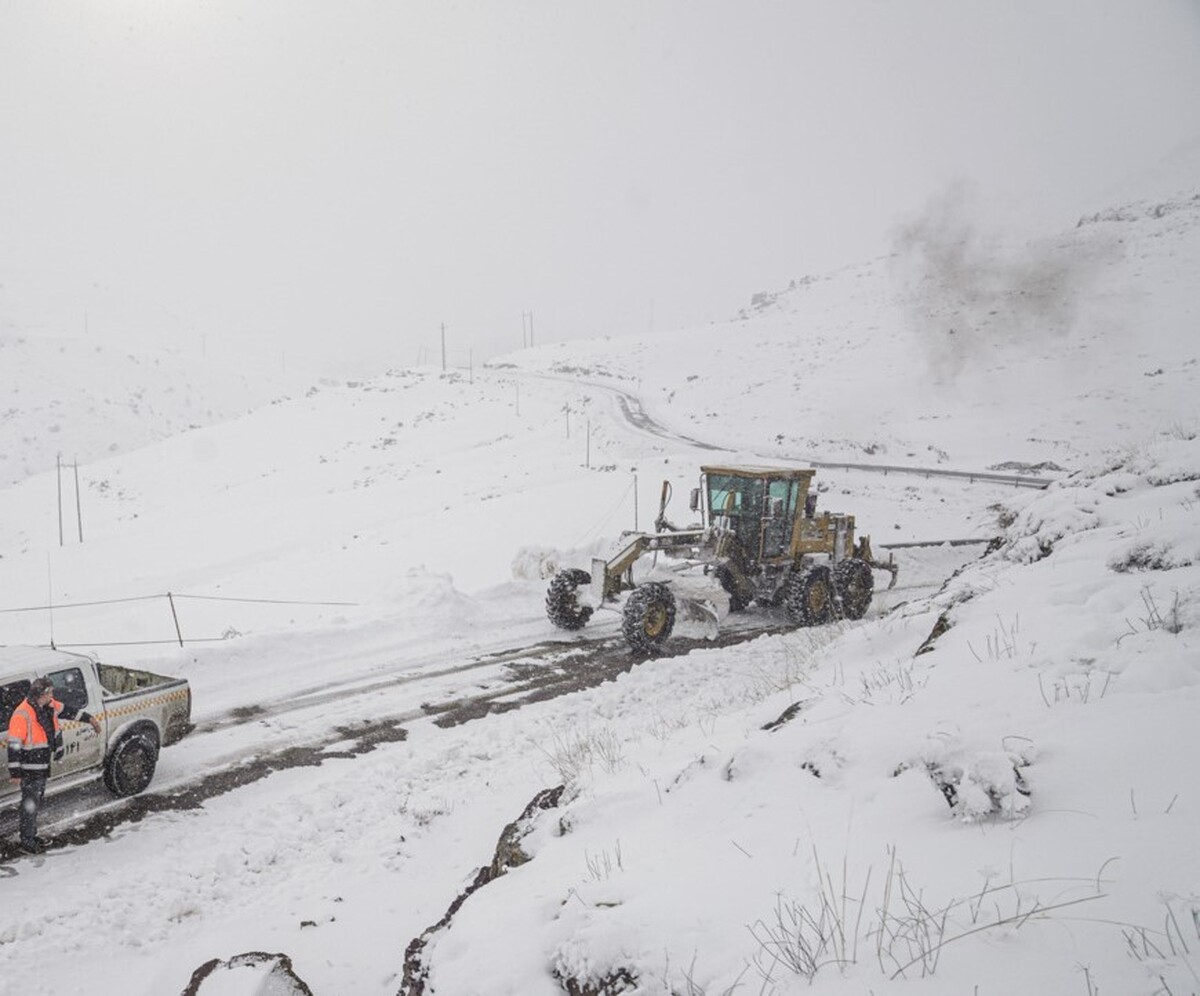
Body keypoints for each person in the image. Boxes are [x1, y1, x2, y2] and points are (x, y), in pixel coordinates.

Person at [7, 676, 102, 854]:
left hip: (41, 765)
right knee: (30, 804)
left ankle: (31, 835)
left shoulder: (48, 706)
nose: (53, 696)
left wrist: (91, 720)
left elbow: (69, 711)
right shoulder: (22, 714)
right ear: (41, 695)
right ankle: (27, 840)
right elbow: (14, 745)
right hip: (30, 768)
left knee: (35, 802)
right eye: (50, 692)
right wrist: (15, 772)